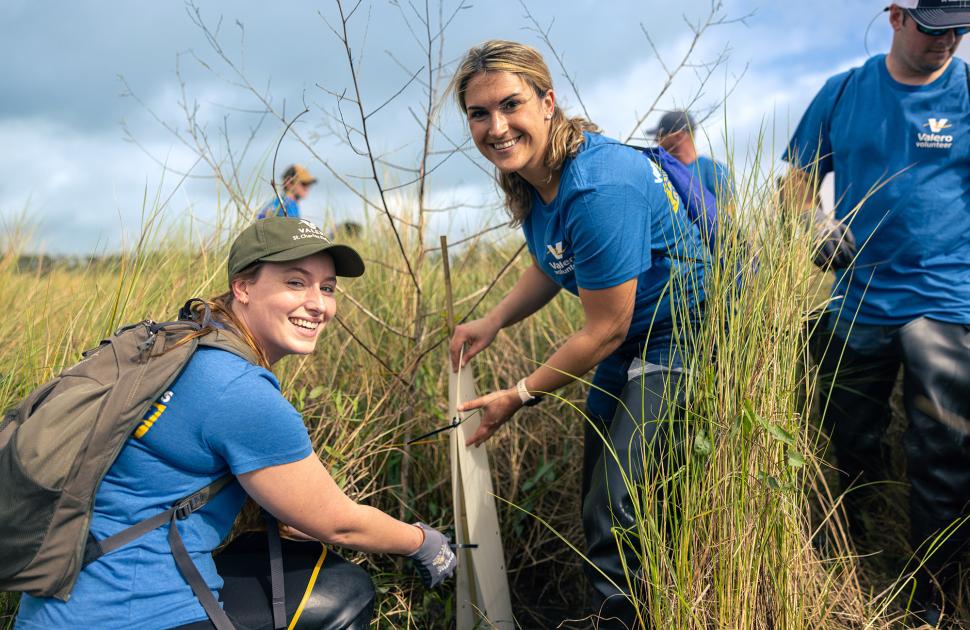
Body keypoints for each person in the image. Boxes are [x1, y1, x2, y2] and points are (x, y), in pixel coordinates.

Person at [14, 217, 456, 630]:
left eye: (327, 287)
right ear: (242, 287)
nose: (317, 304)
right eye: (295, 282)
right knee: (345, 592)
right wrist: (421, 542)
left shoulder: (183, 344)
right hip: (138, 612)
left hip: (55, 607)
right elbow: (337, 522)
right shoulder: (237, 390)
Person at [447, 40, 708, 627]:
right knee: (600, 489)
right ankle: (619, 610)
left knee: (618, 498)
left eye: (511, 105)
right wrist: (493, 321)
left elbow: (606, 329)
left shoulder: (598, 185)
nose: (496, 126)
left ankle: (631, 618)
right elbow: (550, 261)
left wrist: (517, 395)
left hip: (682, 332)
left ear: (547, 101)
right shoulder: (535, 180)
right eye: (479, 113)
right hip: (633, 337)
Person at [784, 2, 970, 623]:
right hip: (859, 296)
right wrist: (814, 222)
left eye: (961, 29)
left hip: (946, 298)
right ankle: (853, 549)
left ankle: (935, 597)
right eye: (935, 26)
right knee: (851, 433)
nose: (949, 40)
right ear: (895, 17)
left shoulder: (968, 93)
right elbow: (798, 179)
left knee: (942, 449)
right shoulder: (843, 92)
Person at [651, 109, 733, 205]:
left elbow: (728, 215)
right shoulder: (660, 170)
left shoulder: (716, 170)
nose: (657, 142)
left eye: (660, 136)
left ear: (678, 136)